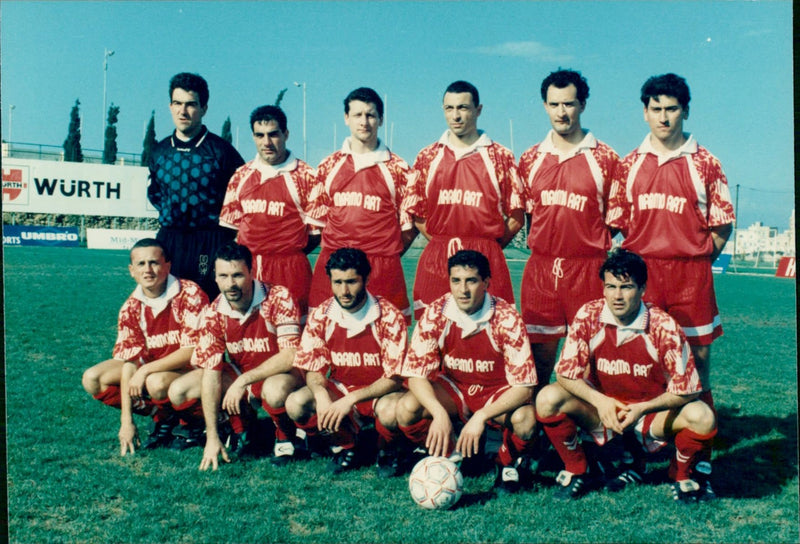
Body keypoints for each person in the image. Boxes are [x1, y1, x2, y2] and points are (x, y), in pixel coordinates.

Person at [535, 249, 717, 502]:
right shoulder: (589, 315)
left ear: (642, 289)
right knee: (547, 398)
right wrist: (601, 402)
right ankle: (578, 469)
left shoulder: (663, 326)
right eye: (610, 286)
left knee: (702, 416)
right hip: (603, 411)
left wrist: (643, 408)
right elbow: (565, 375)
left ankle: (681, 475)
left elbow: (689, 389)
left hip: (649, 414)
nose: (617, 296)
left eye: (626, 287)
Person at [607, 73, 735, 410]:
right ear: (645, 112)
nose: (664, 117)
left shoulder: (706, 162)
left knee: (698, 356)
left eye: (673, 109)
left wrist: (697, 258)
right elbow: (615, 222)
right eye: (656, 108)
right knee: (640, 355)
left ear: (686, 111)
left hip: (690, 275)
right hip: (644, 276)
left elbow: (722, 225)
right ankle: (648, 431)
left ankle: (700, 443)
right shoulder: (630, 164)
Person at [396, 250, 538, 494]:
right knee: (406, 408)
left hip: (496, 392)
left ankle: (506, 461)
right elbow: (416, 374)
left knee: (525, 420)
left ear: (486, 283)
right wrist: (439, 413)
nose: (463, 290)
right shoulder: (435, 313)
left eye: (471, 281)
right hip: (455, 389)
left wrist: (481, 416)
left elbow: (524, 387)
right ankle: (448, 451)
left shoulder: (506, 319)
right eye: (456, 281)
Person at [518, 69, 620, 395]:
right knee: (537, 358)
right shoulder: (531, 158)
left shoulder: (606, 158)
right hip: (542, 269)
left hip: (588, 267)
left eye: (569, 104)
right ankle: (533, 436)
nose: (562, 112)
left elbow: (617, 217)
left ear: (583, 105)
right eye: (554, 104)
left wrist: (587, 240)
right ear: (545, 106)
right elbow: (526, 213)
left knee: (589, 360)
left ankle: (590, 435)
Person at [403, 80, 524, 320]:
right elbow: (416, 213)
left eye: (463, 108)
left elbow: (517, 216)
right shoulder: (428, 156)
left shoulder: (500, 156)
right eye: (450, 108)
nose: (456, 116)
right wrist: (441, 241)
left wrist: (488, 245)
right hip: (438, 256)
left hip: (486, 254)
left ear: (478, 110)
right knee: (432, 336)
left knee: (489, 336)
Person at [285, 248, 408, 476]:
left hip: (381, 392)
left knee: (391, 411)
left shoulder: (389, 316)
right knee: (296, 403)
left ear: (367, 279)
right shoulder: (321, 314)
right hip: (342, 387)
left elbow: (394, 377)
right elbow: (313, 367)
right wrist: (321, 396)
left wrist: (351, 399)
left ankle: (387, 449)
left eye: (351, 282)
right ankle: (348, 446)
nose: (344, 291)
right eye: (337, 282)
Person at [81, 238, 209, 455]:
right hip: (156, 369)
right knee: (93, 378)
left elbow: (191, 351)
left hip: (192, 369)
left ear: (167, 266)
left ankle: (195, 422)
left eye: (154, 263)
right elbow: (130, 362)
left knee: (155, 382)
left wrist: (147, 369)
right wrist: (126, 422)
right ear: (131, 270)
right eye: (141, 264)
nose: (148, 270)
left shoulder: (190, 293)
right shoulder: (130, 307)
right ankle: (163, 417)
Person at [191, 242, 303, 471]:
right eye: (223, 276)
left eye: (237, 275)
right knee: (200, 383)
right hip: (245, 372)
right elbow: (211, 373)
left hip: (282, 374)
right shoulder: (213, 313)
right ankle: (240, 430)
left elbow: (290, 355)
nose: (230, 284)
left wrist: (244, 380)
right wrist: (212, 437)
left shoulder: (278, 297)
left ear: (251, 273)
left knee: (274, 389)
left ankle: (286, 436)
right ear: (215, 276)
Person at [307, 87, 414, 322]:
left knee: (384, 339)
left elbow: (408, 228)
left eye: (370, 115)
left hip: (381, 267)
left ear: (381, 119)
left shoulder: (399, 169)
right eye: (357, 115)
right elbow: (318, 222)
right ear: (346, 118)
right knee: (325, 336)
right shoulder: (328, 165)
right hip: (334, 264)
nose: (364, 122)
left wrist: (385, 253)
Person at [219, 105, 324, 322]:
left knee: (294, 333)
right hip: (250, 269)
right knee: (253, 334)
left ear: (285, 134)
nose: (266, 142)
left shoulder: (306, 176)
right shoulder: (241, 176)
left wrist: (287, 253)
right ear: (253, 137)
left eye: (273, 134)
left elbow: (316, 233)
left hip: (290, 269)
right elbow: (229, 228)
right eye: (260, 135)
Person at [147, 72, 245, 299]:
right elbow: (156, 194)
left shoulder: (221, 152)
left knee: (206, 304)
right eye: (177, 103)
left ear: (204, 109)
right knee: (168, 304)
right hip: (170, 239)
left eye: (191, 104)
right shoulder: (159, 151)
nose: (183, 111)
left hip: (209, 241)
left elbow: (240, 197)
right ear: (170, 106)